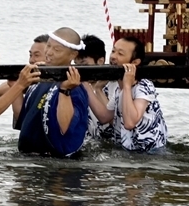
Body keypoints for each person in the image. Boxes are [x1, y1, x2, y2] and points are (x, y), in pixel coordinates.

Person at [14, 28, 90, 157]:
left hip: (59, 165)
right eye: (48, 46)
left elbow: (65, 128)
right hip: (28, 157)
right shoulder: (39, 79)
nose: (49, 52)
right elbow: (24, 119)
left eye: (57, 50)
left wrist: (65, 90)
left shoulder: (75, 87)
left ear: (73, 55)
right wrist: (18, 84)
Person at [87, 36, 168, 152]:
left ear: (135, 62)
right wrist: (88, 85)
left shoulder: (144, 85)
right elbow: (106, 117)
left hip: (149, 154)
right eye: (113, 51)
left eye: (120, 54)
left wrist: (126, 85)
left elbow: (130, 122)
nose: (113, 57)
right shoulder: (118, 88)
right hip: (129, 152)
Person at [74, 34, 114, 141]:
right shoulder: (75, 85)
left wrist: (98, 90)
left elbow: (114, 121)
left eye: (84, 64)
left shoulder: (112, 86)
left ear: (100, 61)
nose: (78, 69)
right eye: (76, 64)